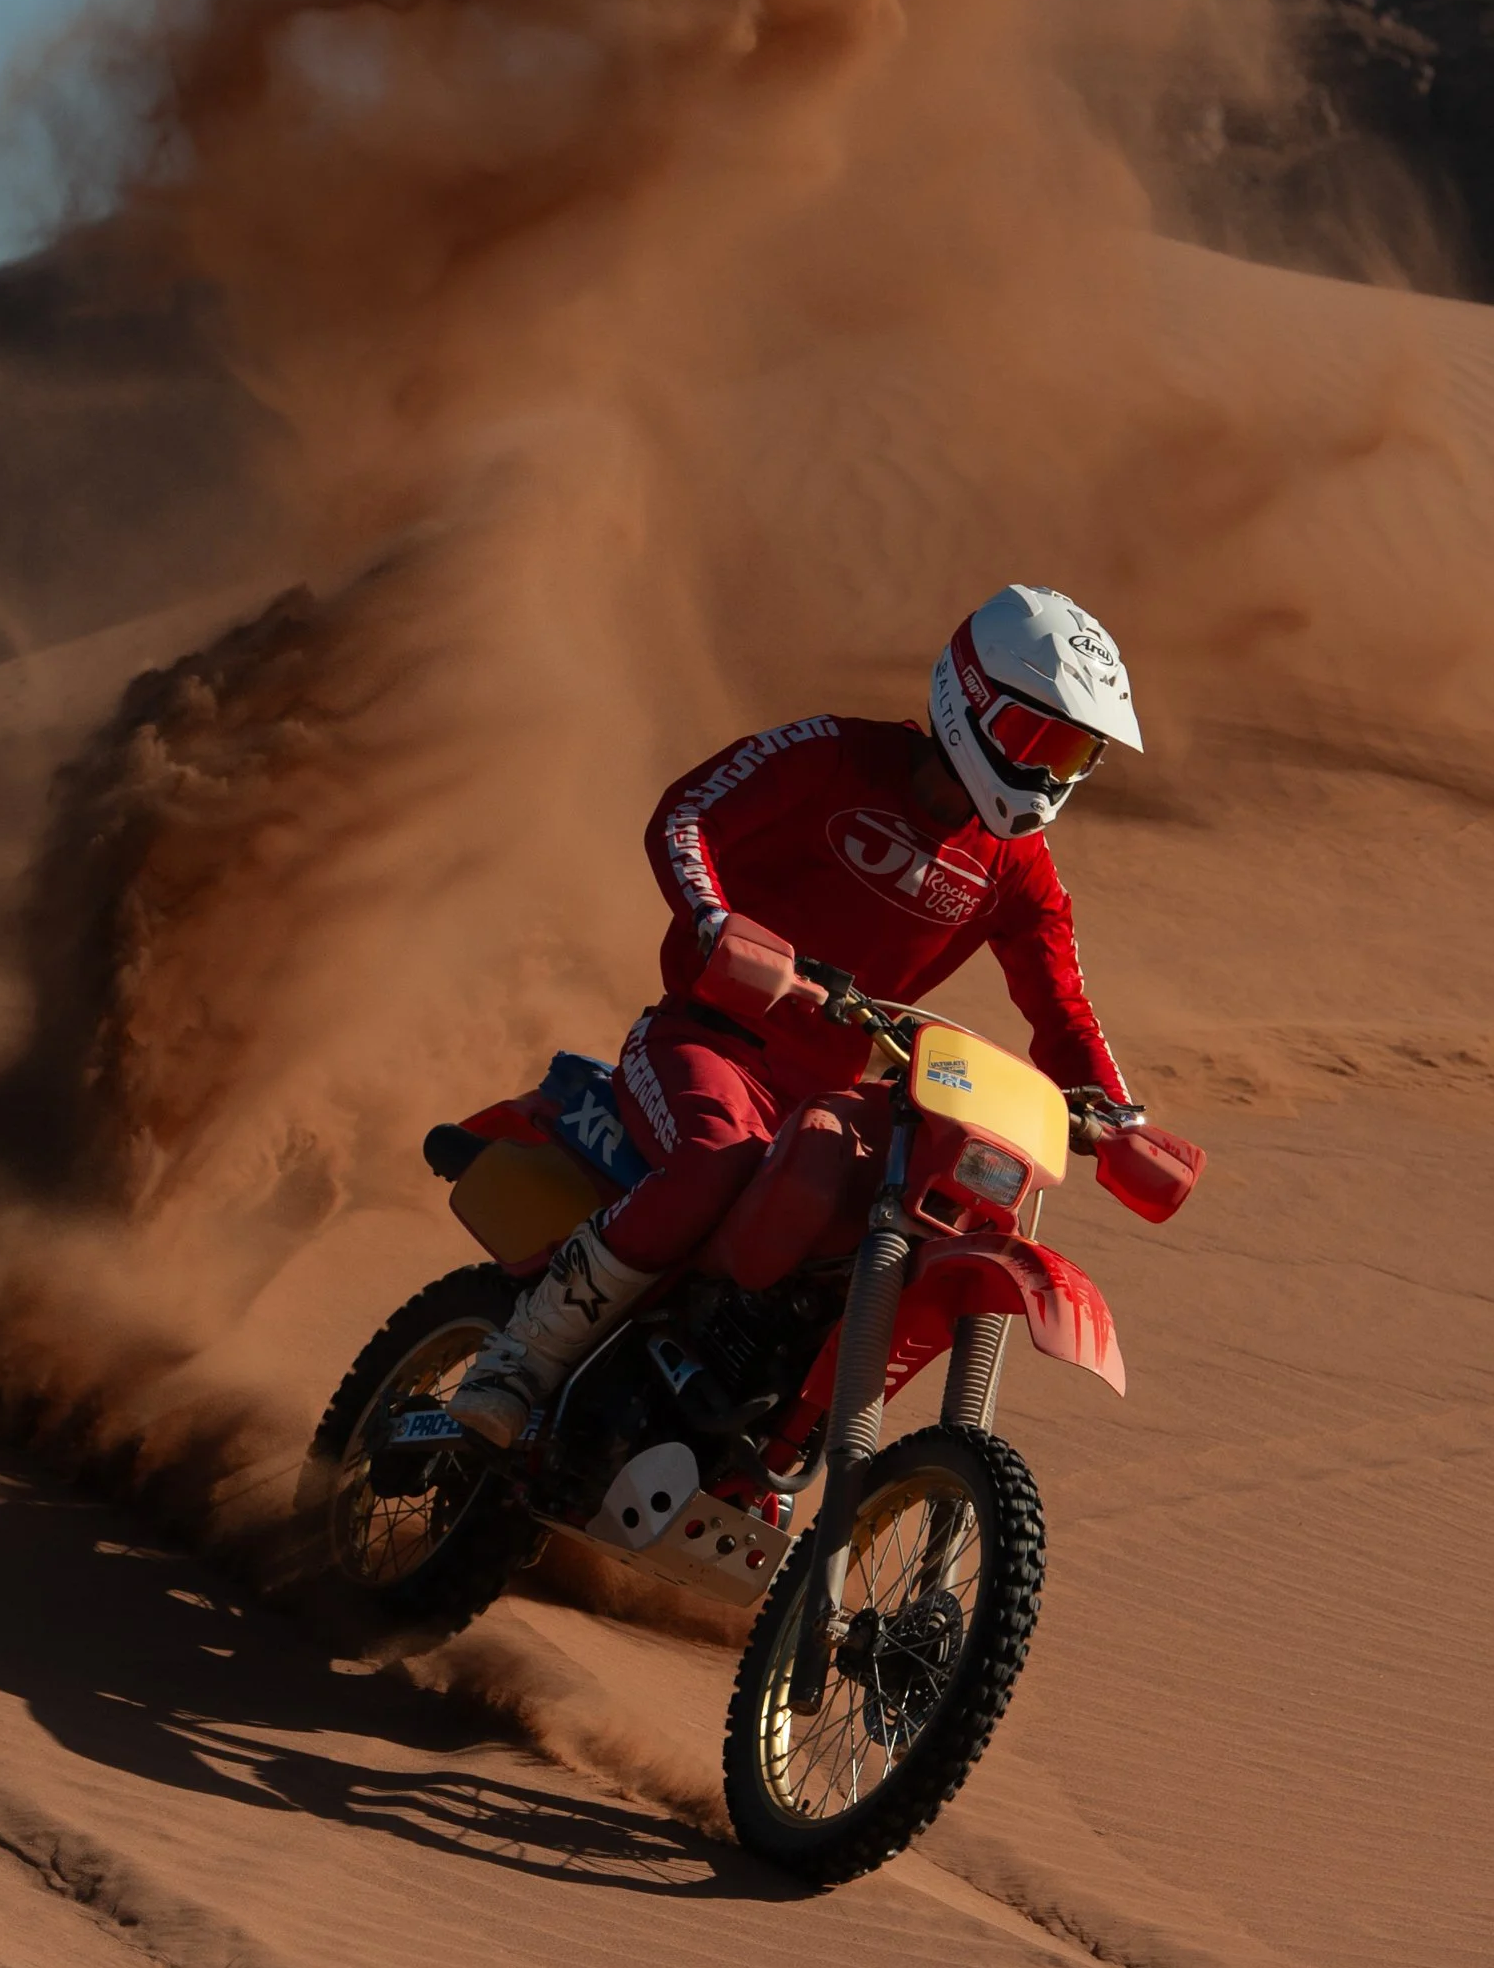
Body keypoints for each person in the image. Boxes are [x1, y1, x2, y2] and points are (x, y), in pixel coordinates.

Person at [451, 582, 1147, 1448]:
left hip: (825, 1090)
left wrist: (1120, 1116)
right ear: (968, 702)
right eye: (1034, 740)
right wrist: (713, 923)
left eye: (1074, 757)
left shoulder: (1020, 870)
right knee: (714, 1163)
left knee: (865, 1250)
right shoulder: (833, 754)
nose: (1045, 775)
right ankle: (517, 1361)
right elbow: (687, 814)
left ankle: (760, 1445)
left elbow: (1061, 1001)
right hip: (702, 1042)